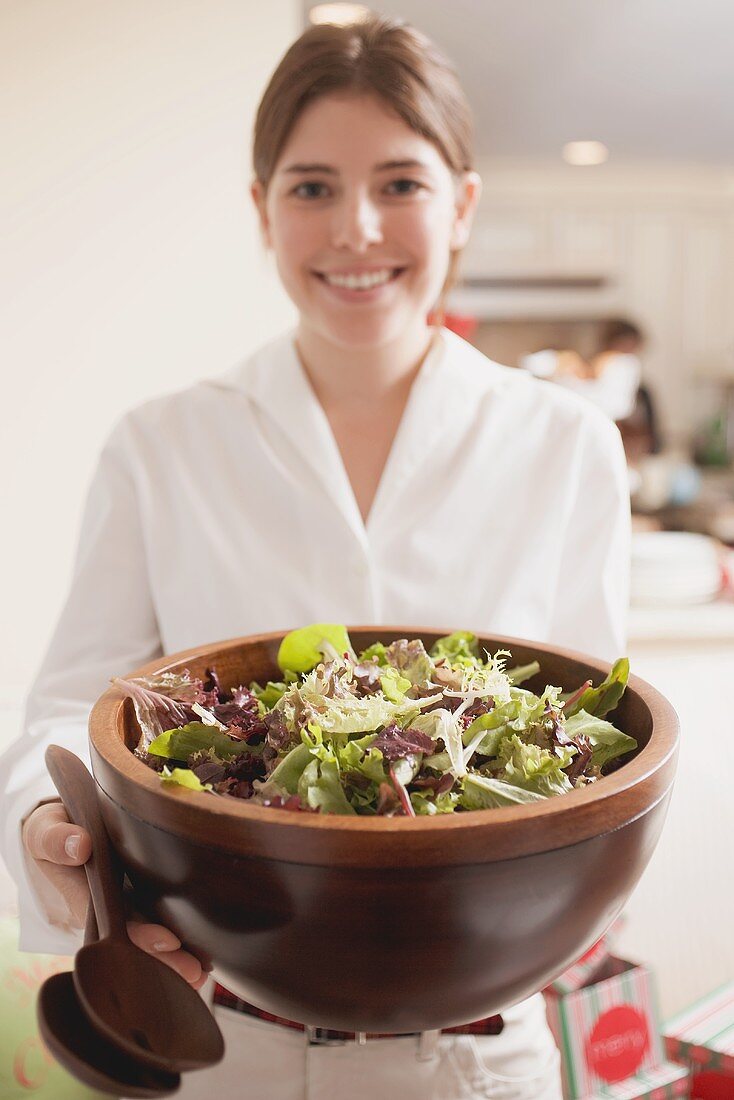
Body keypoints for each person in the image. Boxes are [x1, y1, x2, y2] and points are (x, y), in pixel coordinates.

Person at [0, 15, 631, 1100]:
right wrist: (55, 838)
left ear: (461, 204)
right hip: (227, 1044)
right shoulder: (162, 443)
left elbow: (597, 754)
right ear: (260, 209)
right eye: (309, 188)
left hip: (476, 1056)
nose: (354, 229)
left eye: (398, 184)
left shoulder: (563, 443)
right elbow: (69, 709)